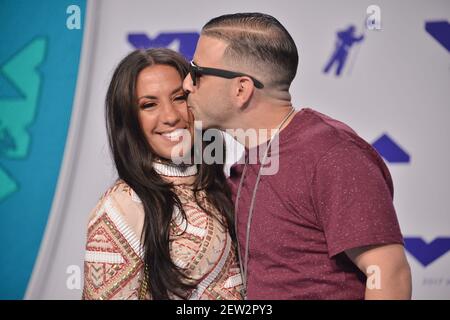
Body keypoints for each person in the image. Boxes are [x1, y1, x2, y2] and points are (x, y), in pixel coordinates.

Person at [183, 13, 412, 299]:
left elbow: (389, 274)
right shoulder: (248, 162)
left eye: (197, 73)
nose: (186, 85)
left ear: (241, 89)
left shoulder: (332, 155)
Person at [82, 48, 243, 300]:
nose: (170, 116)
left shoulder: (220, 185)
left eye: (179, 98)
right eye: (149, 105)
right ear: (128, 120)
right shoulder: (120, 208)